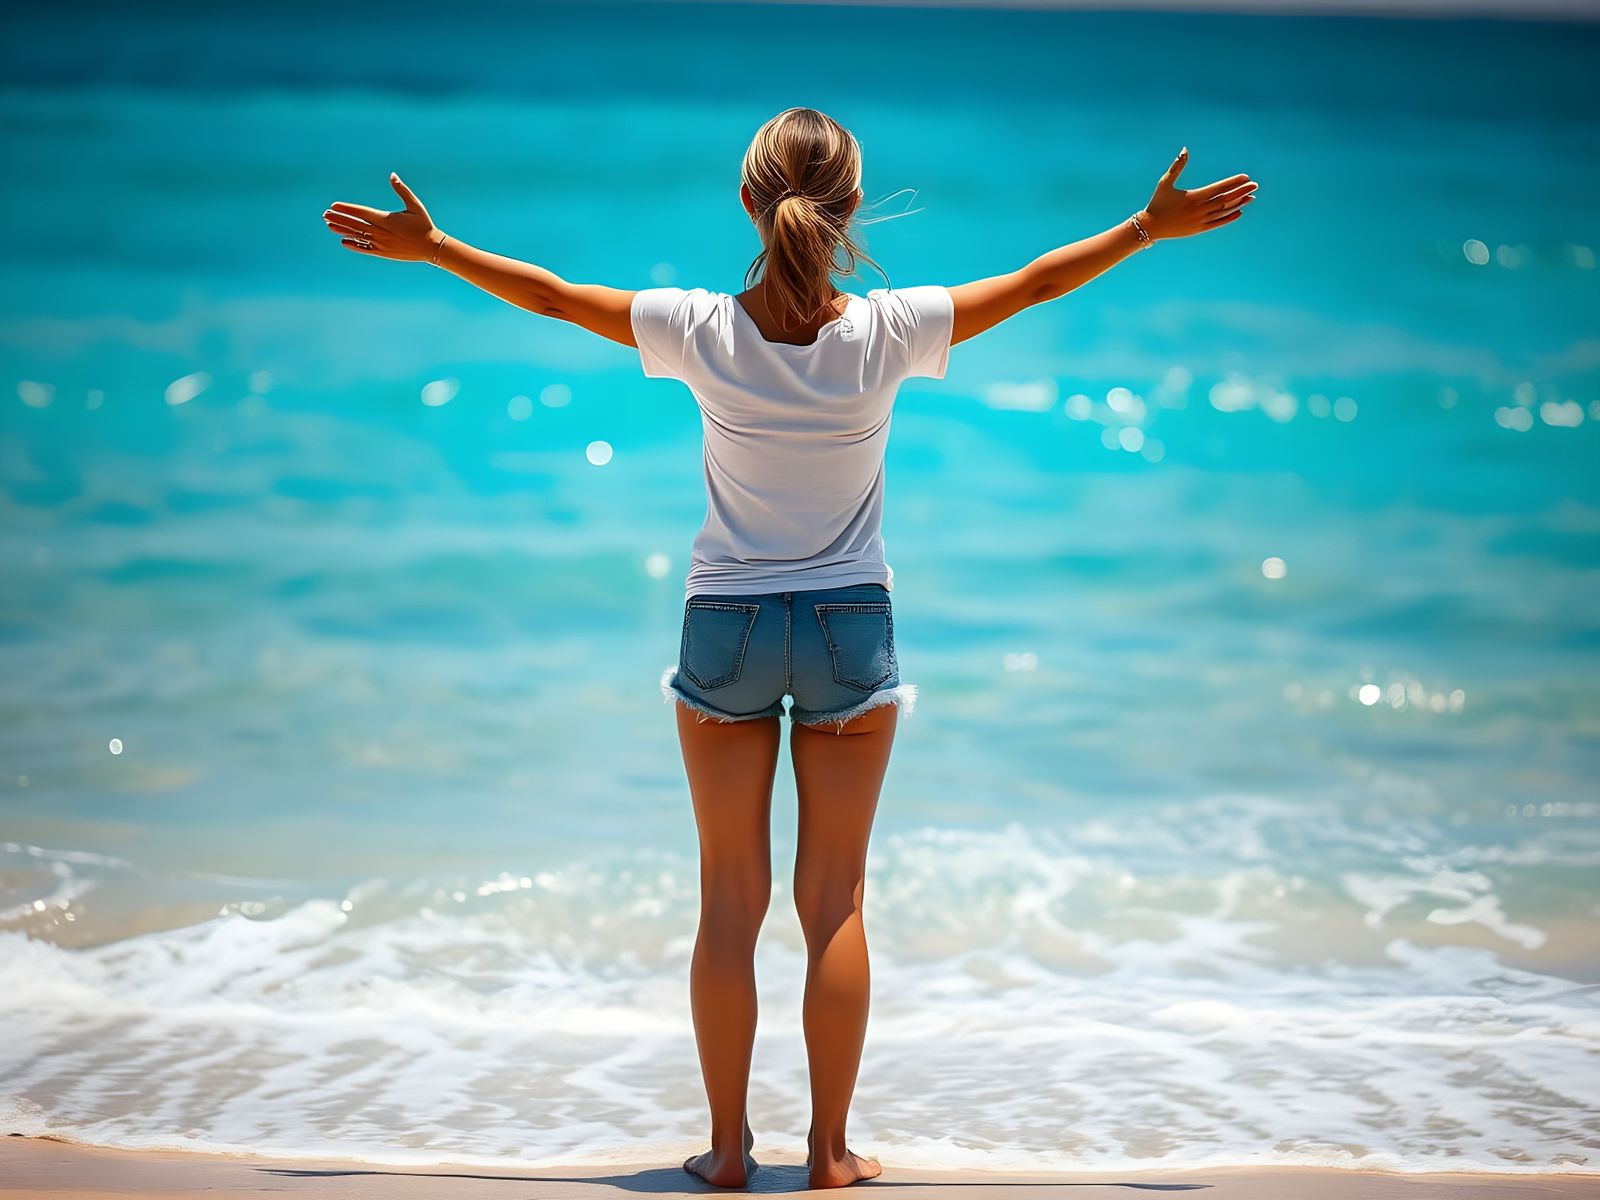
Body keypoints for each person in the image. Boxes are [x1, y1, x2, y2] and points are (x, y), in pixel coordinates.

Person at [321, 106, 1255, 1191]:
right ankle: (827, 1154)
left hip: (725, 625)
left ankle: (725, 1153)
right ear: (850, 206)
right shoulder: (891, 330)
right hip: (849, 627)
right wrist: (1143, 227)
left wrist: (432, 249)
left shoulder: (698, 328)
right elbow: (1040, 282)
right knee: (836, 904)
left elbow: (548, 294)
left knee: (729, 900)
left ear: (748, 203)